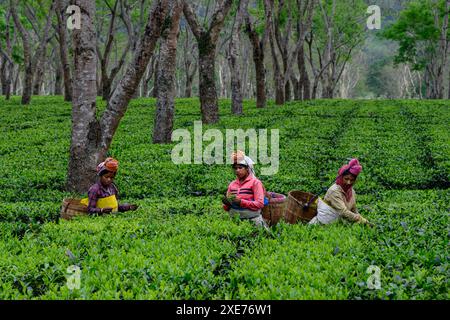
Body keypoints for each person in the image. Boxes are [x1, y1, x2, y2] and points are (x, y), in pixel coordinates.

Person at [309, 158, 370, 225]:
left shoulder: (352, 192)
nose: (348, 182)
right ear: (341, 178)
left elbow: (353, 210)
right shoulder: (334, 191)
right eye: (346, 179)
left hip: (338, 223)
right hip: (323, 224)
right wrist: (359, 219)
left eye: (352, 180)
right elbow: (343, 212)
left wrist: (364, 221)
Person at [222, 151, 269, 229]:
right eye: (235, 168)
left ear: (247, 169)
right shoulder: (232, 184)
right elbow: (227, 208)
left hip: (252, 220)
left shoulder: (255, 183)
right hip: (234, 221)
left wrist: (241, 202)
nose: (237, 170)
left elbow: (260, 204)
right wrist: (226, 204)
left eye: (240, 168)